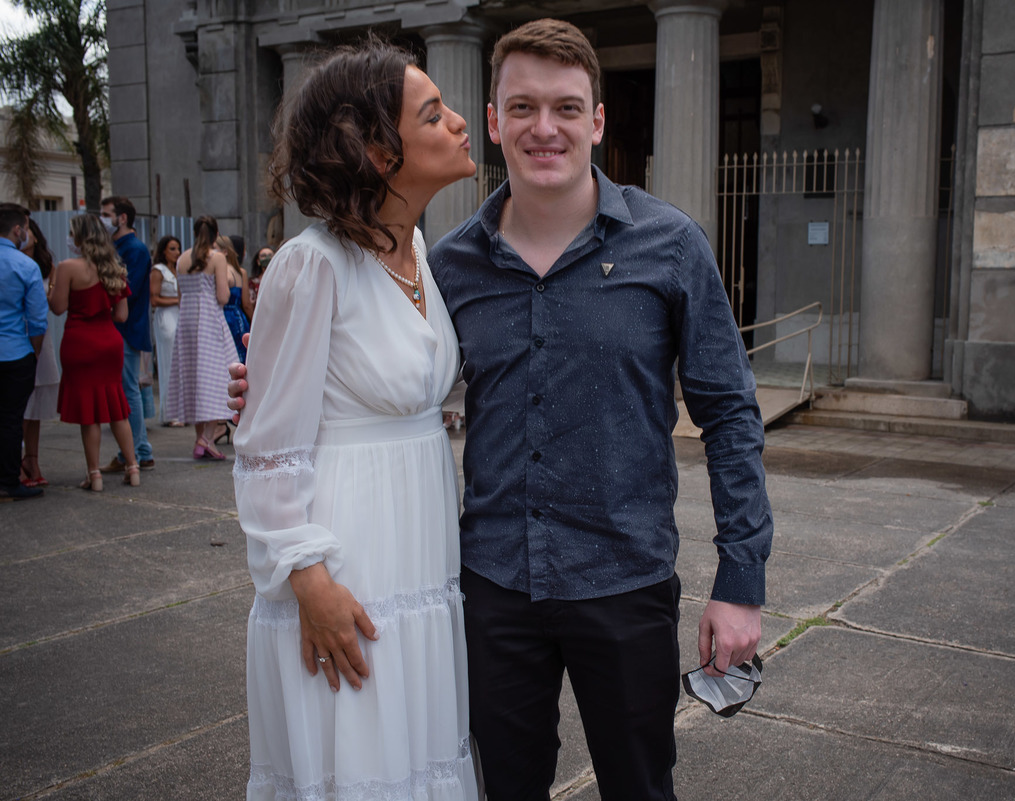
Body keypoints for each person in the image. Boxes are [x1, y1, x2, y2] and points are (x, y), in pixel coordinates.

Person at [230, 19, 773, 801]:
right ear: (494, 121)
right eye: (521, 107)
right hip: (488, 589)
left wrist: (740, 579)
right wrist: (272, 388)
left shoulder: (671, 246)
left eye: (565, 107)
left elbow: (730, 415)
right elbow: (371, 360)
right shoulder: (446, 263)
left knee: (641, 788)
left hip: (624, 582)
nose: (543, 128)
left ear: (598, 119)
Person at [230, 39, 479, 800]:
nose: (462, 123)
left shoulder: (420, 256)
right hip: (349, 569)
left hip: (421, 557)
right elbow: (269, 448)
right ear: (376, 150)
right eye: (433, 114)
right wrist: (310, 581)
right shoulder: (312, 265)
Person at [51, 214, 141, 491]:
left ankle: (95, 474)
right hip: (109, 342)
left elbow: (57, 307)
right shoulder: (113, 268)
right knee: (117, 407)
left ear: (78, 237)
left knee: (88, 412)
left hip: (79, 341)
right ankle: (133, 467)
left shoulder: (67, 267)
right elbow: (122, 315)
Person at [165, 216, 238, 460]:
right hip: (209, 320)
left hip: (187, 321)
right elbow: (222, 296)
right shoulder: (217, 257)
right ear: (216, 233)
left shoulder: (182, 258)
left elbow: (179, 292)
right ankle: (205, 439)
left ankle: (203, 440)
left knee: (195, 378)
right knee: (218, 377)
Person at [98, 195, 155, 473]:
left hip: (126, 329)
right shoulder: (123, 247)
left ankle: (138, 451)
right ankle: (135, 450)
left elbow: (125, 291)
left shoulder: (133, 249)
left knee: (128, 389)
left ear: (122, 218)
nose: (102, 218)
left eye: (106, 214)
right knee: (126, 389)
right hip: (124, 328)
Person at [0, 203, 48, 501]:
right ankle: (7, 480)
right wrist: (35, 352)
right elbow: (37, 320)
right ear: (18, 230)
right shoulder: (25, 266)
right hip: (15, 352)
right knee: (10, 419)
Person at [20, 217, 63, 488]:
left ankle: (32, 458)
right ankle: (18, 462)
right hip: (18, 334)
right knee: (18, 405)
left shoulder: (47, 266)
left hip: (39, 335)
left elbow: (53, 304)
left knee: (34, 404)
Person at [150, 235, 185, 427]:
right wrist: (177, 301)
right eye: (172, 248)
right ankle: (170, 412)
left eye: (178, 248)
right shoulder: (158, 271)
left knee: (180, 363)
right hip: (166, 317)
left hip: (179, 316)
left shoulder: (178, 269)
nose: (177, 252)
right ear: (164, 250)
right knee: (169, 362)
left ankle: (182, 410)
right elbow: (154, 299)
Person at [217, 234, 252, 362]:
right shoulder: (241, 271)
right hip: (239, 317)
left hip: (226, 317)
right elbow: (246, 303)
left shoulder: (223, 271)